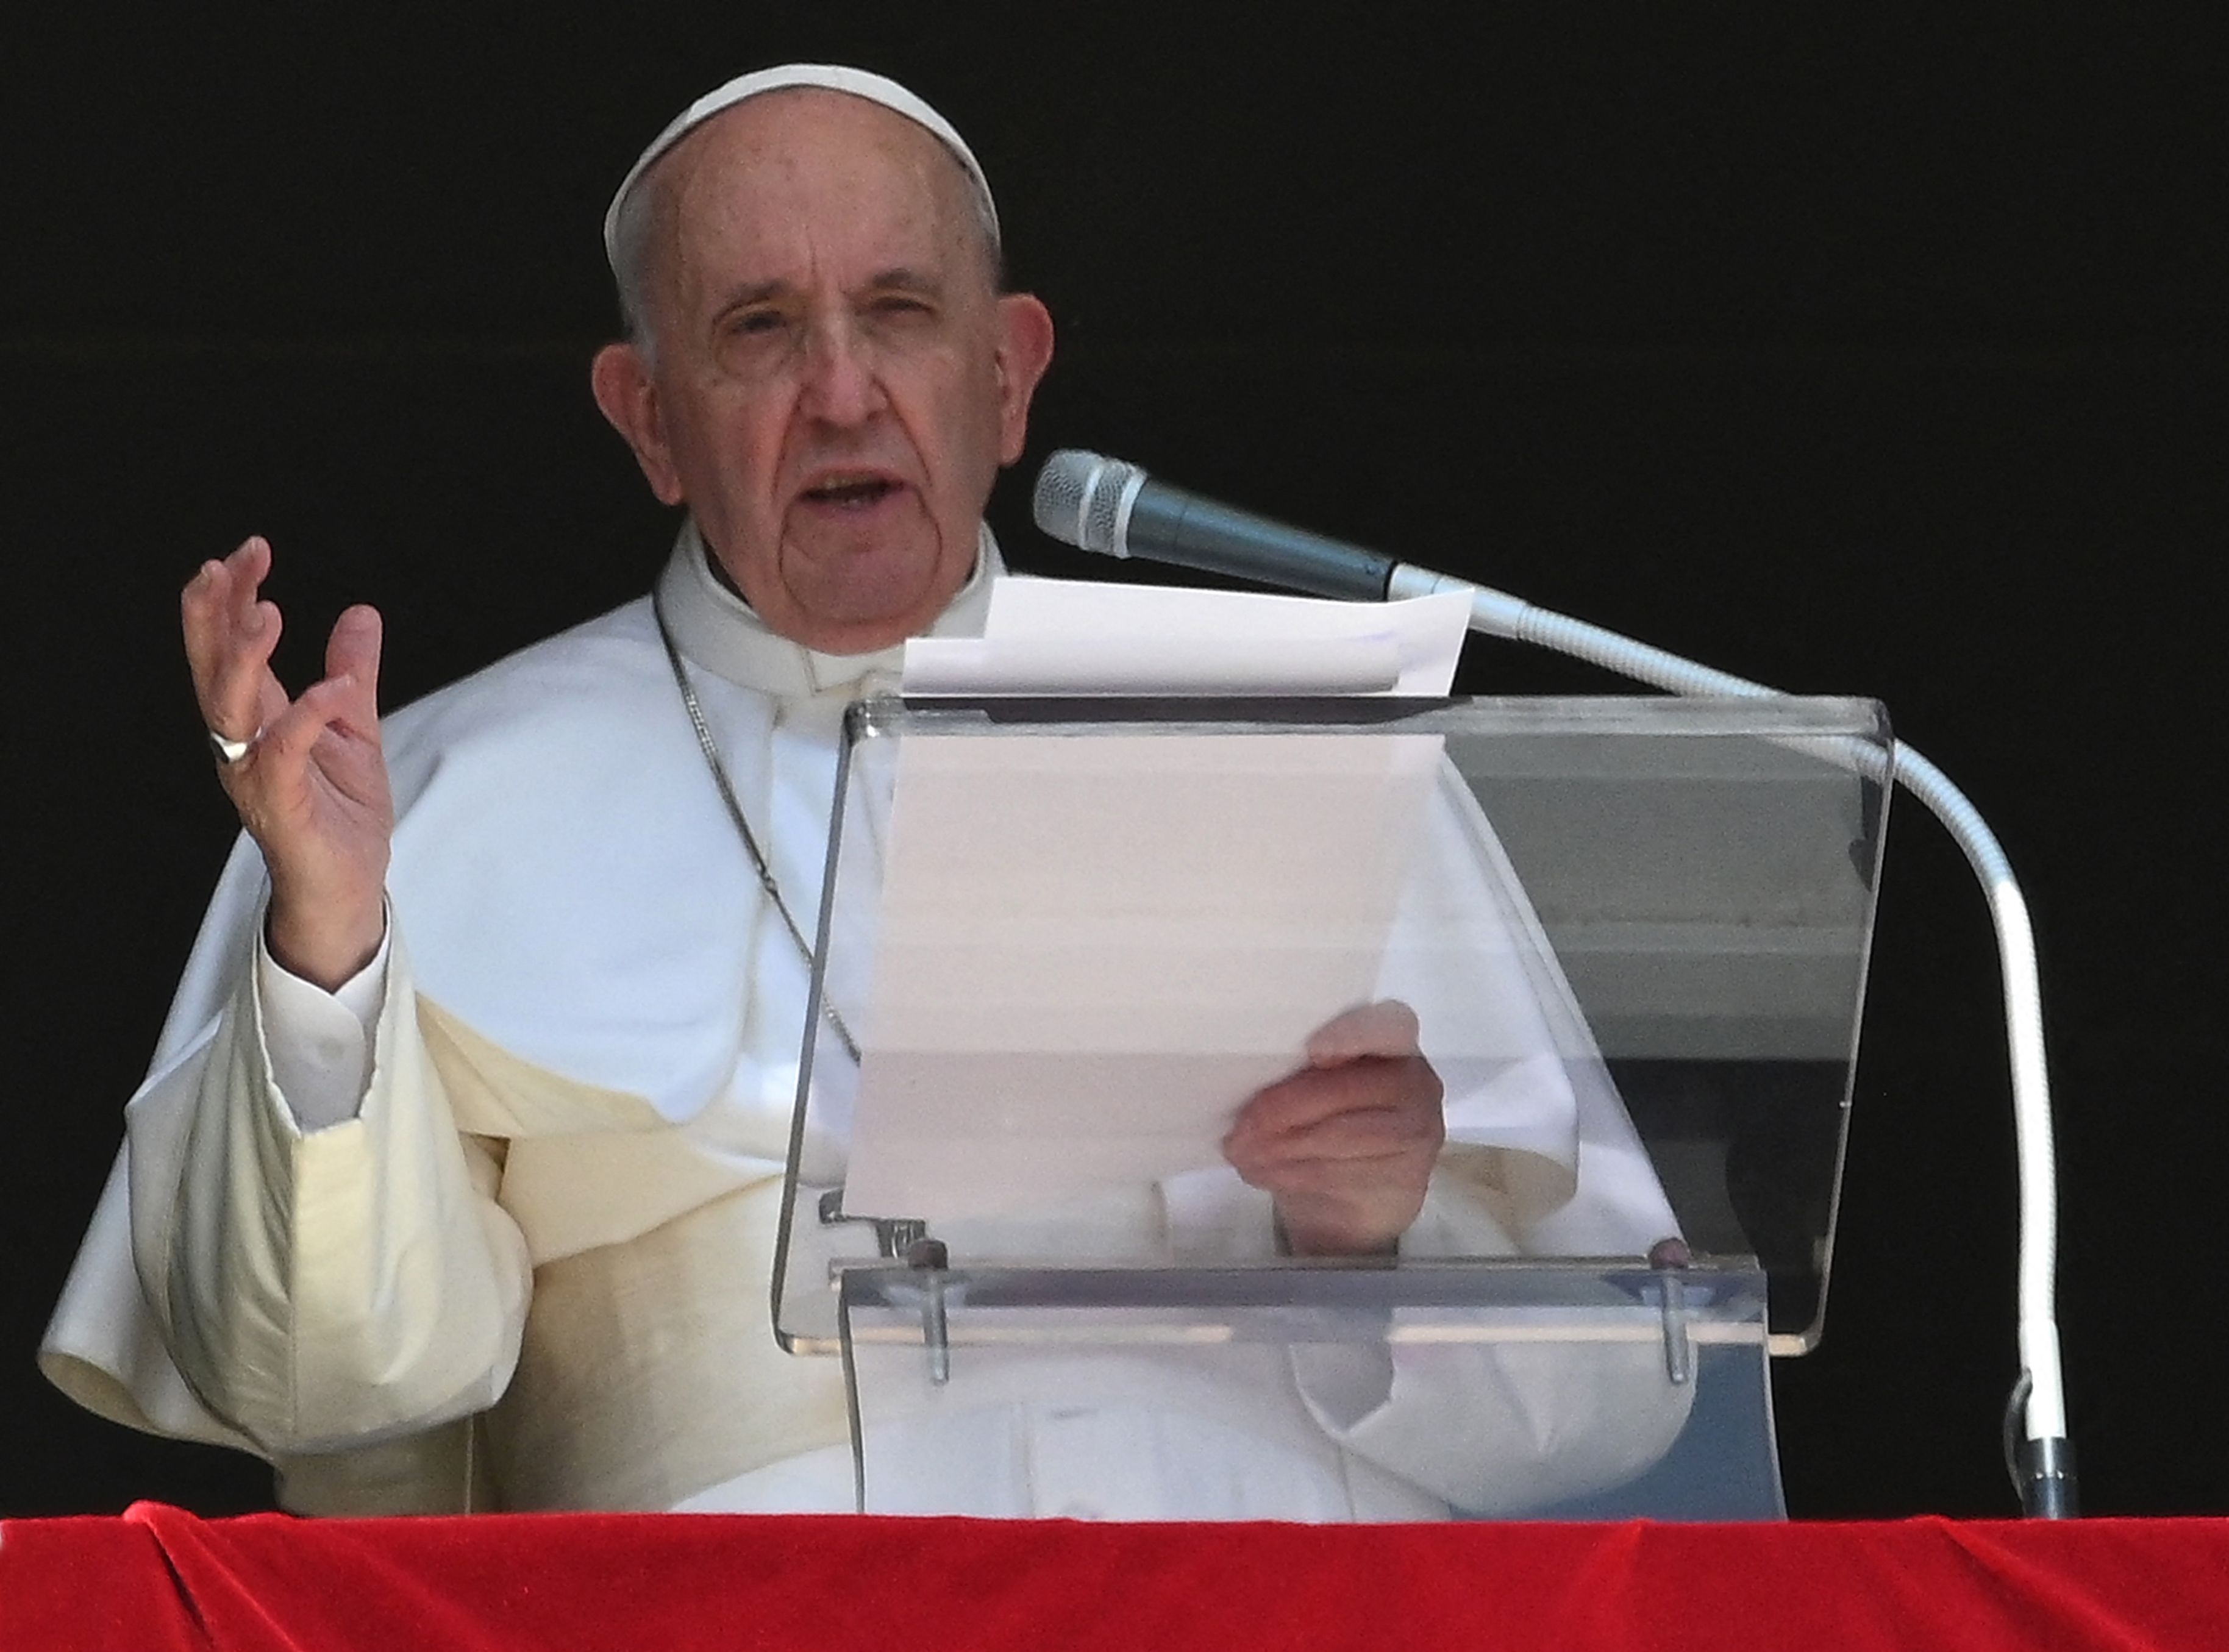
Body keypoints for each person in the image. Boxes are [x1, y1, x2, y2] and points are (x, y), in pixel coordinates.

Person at [41, 65, 1689, 1517]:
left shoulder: (1293, 734)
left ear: (1007, 374)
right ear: (649, 420)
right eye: (758, 327)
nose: (841, 390)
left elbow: (1620, 1397)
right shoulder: (438, 792)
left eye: (899, 312)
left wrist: (1377, 1240)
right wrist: (329, 956)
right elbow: (329, 1395)